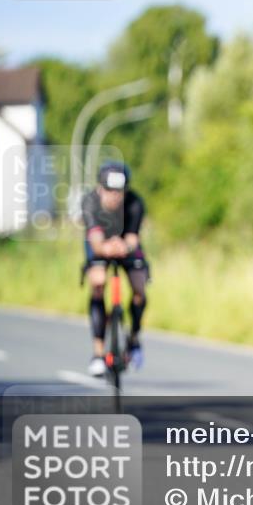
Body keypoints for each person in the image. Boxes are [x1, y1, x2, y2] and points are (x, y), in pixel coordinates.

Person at [81, 161, 149, 376]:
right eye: (109, 191)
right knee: (99, 282)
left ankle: (134, 338)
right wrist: (105, 248)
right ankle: (98, 353)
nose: (114, 196)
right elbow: (95, 240)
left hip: (124, 245)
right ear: (100, 188)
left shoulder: (135, 203)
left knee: (139, 286)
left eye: (119, 191)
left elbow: (132, 237)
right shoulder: (90, 202)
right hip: (100, 244)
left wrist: (125, 246)